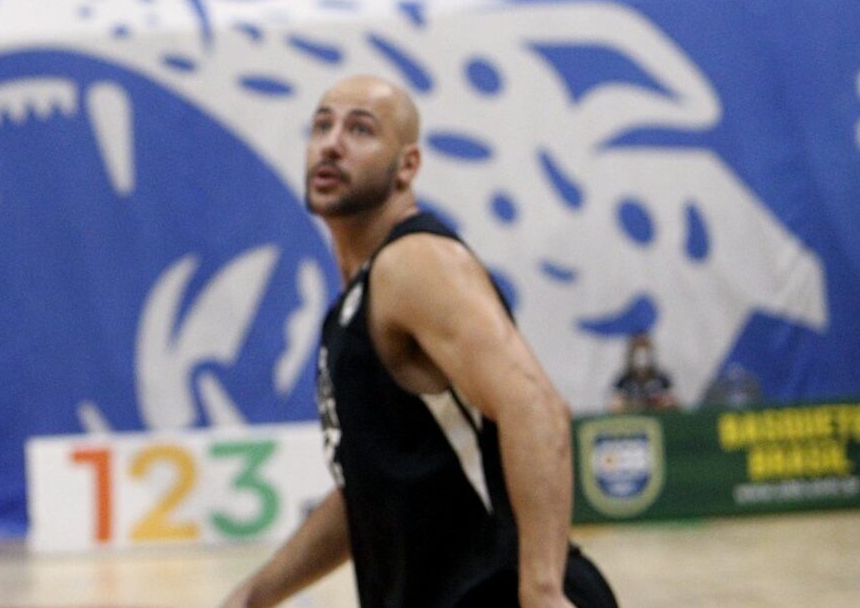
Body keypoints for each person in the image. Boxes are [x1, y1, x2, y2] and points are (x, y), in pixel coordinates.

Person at [218, 77, 617, 608]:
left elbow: (534, 405)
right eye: (322, 125)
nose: (332, 142)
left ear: (407, 166)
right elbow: (368, 493)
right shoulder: (355, 304)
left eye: (361, 129)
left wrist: (542, 589)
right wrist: (252, 595)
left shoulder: (414, 261)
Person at [606, 333, 676, 413]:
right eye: (638, 352)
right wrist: (630, 404)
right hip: (632, 418)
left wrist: (659, 403)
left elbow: (671, 402)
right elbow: (614, 403)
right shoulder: (624, 380)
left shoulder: (661, 379)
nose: (642, 357)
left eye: (645, 352)